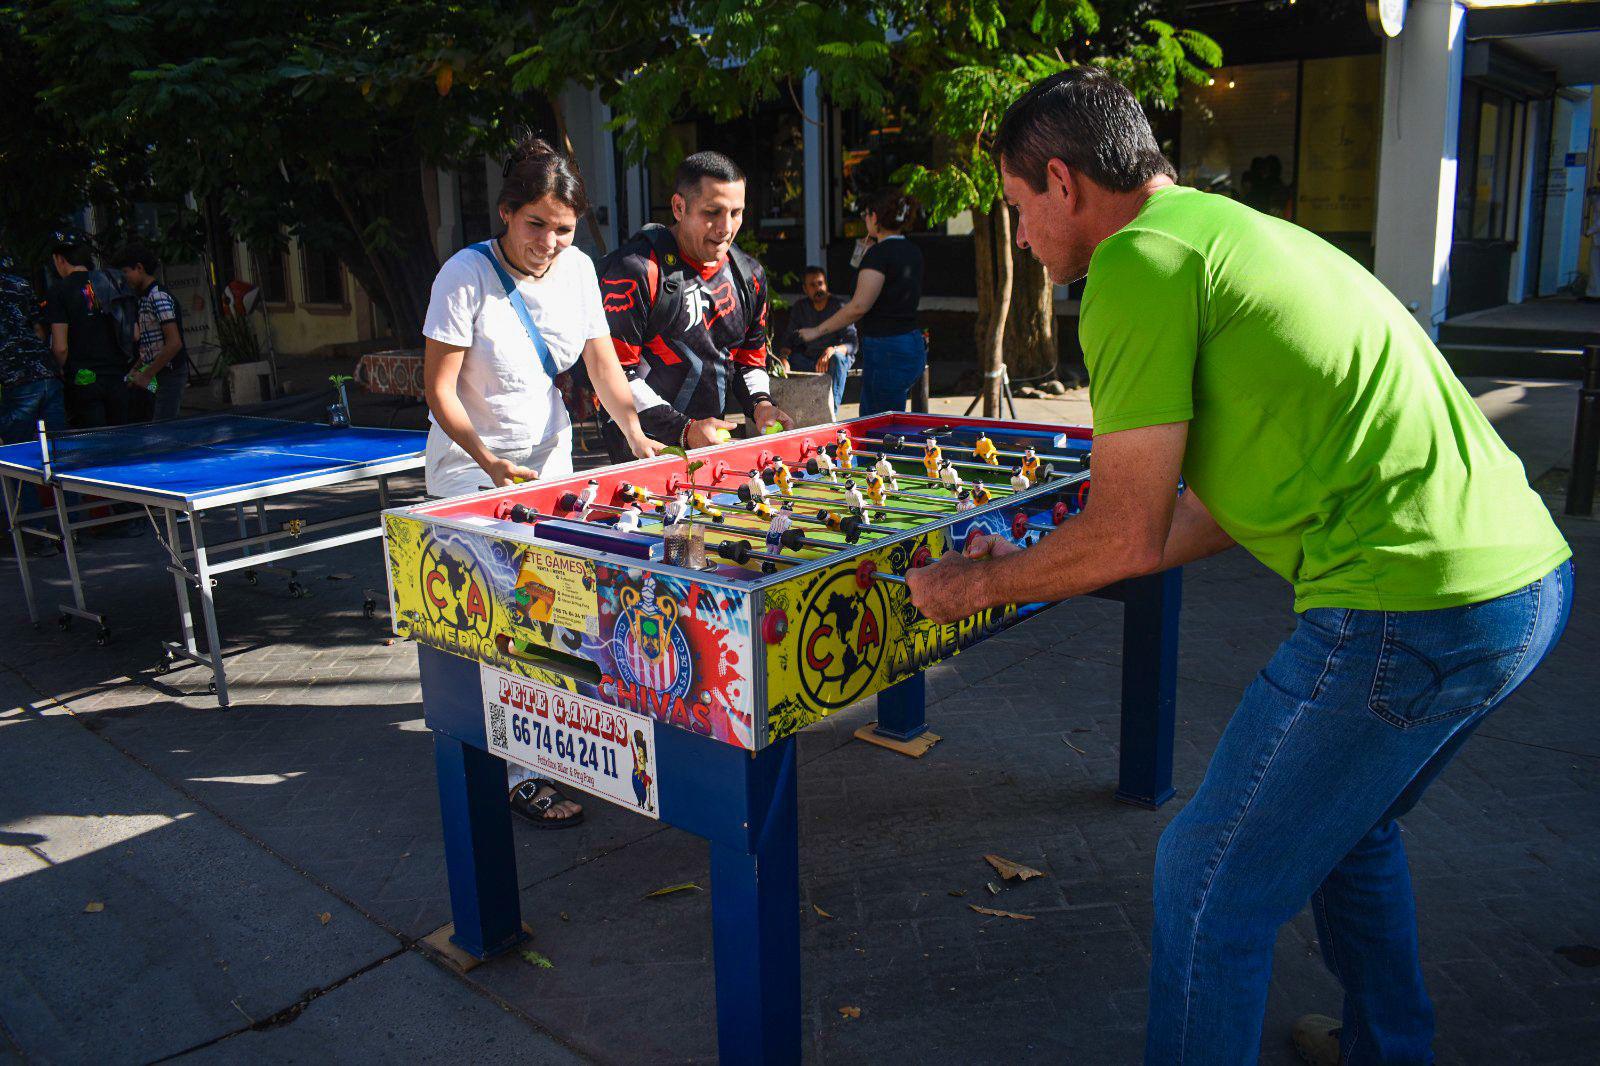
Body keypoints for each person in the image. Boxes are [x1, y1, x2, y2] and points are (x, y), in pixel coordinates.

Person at [905, 67, 1572, 1066]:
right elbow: (1209, 505)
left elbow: (1124, 534)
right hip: (1522, 585)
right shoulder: (1235, 234)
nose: (1023, 238)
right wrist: (1035, 563)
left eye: (1014, 211)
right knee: (1349, 834)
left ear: (1061, 182)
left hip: (1407, 608)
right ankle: (1388, 1046)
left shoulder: (1136, 264)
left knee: (1206, 876)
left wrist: (970, 585)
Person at [422, 135, 660, 827]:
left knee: (550, 618)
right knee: (496, 628)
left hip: (550, 470)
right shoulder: (463, 275)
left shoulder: (581, 270)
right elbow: (439, 391)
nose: (549, 242)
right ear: (505, 213)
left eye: (563, 229)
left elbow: (605, 370)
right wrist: (490, 461)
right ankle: (516, 770)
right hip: (471, 478)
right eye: (536, 225)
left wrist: (637, 435)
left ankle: (550, 751)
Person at [598, 151, 791, 460]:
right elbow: (615, 375)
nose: (725, 227)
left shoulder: (749, 275)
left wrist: (761, 405)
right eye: (712, 212)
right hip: (643, 451)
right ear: (679, 207)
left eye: (736, 213)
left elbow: (748, 360)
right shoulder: (635, 271)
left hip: (712, 444)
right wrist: (685, 431)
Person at [795, 188, 924, 415]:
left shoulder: (880, 255)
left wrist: (816, 331)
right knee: (893, 416)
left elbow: (858, 307)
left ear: (874, 217)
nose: (865, 219)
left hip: (887, 347)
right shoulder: (912, 251)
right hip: (911, 341)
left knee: (877, 422)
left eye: (866, 214)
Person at [0, 252, 63, 556]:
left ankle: (33, 536)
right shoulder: (19, 284)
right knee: (58, 454)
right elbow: (40, 330)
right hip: (45, 373)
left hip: (15, 381)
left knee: (17, 461)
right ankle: (70, 528)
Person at [45, 236, 133, 429]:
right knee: (122, 440)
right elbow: (134, 333)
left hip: (84, 378)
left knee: (95, 444)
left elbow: (60, 348)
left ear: (60, 259)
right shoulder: (112, 281)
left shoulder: (59, 291)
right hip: (117, 375)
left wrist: (59, 371)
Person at [114, 243, 188, 421]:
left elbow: (174, 343)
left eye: (125, 272)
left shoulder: (158, 296)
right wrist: (136, 370)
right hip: (158, 373)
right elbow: (152, 347)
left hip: (169, 373)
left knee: (164, 426)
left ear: (139, 268)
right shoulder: (143, 298)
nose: (124, 279)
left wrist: (147, 374)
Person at [778, 265, 856, 409]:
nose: (818, 288)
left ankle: (831, 411)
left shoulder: (839, 306)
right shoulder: (800, 307)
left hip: (832, 359)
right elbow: (788, 339)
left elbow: (852, 343)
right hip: (809, 359)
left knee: (838, 359)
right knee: (783, 364)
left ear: (826, 284)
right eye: (812, 285)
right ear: (805, 289)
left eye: (820, 283)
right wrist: (783, 359)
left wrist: (833, 349)